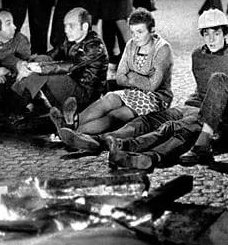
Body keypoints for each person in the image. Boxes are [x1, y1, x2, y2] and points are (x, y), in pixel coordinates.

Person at [60, 9, 228, 163]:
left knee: (171, 127)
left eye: (217, 33)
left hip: (214, 113)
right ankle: (100, 140)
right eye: (206, 34)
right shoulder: (197, 55)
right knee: (147, 121)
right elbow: (201, 87)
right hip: (191, 105)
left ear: (225, 33)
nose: (211, 39)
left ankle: (133, 151)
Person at [55, 8, 172, 144]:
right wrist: (138, 78)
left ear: (152, 31)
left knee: (115, 114)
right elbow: (120, 78)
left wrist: (132, 76)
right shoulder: (131, 45)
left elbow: (153, 85)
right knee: (109, 99)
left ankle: (75, 133)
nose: (135, 37)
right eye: (132, 32)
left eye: (140, 32)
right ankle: (70, 125)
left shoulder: (162, 49)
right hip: (134, 92)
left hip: (156, 99)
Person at [15, 7, 108, 128]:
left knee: (46, 74)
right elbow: (52, 55)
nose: (66, 30)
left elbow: (70, 65)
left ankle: (15, 105)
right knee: (41, 60)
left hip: (85, 97)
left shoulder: (95, 46)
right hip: (72, 89)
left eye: (71, 26)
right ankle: (20, 101)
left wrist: (38, 68)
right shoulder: (72, 40)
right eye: (65, 26)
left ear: (84, 26)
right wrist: (27, 64)